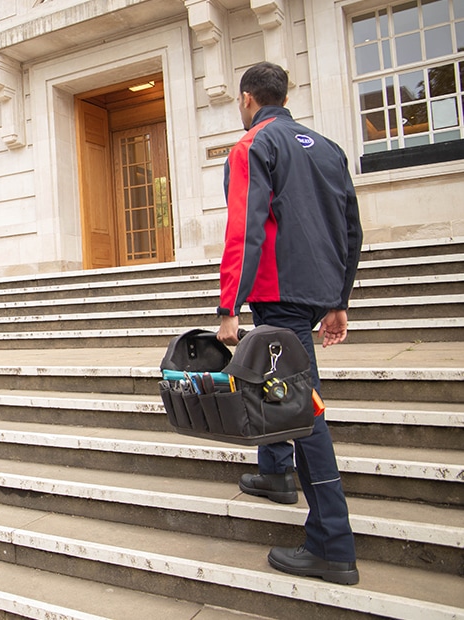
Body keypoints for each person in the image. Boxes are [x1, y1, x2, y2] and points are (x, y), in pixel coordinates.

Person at [216, 62, 363, 586]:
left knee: (305, 410)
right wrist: (338, 300)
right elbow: (351, 227)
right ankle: (275, 470)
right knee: (276, 385)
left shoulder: (254, 144)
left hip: (276, 293)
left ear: (247, 99)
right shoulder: (327, 148)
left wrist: (227, 306)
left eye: (239, 102)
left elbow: (245, 227)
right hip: (312, 292)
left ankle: (331, 541)